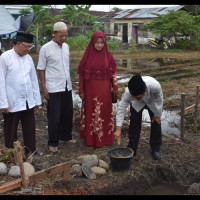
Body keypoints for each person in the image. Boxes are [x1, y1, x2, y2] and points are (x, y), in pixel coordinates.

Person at [0, 32, 41, 155]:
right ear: (18, 43)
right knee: (10, 130)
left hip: (28, 100)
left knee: (29, 129)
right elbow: (1, 81)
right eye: (26, 46)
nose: (28, 49)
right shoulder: (5, 57)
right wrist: (3, 103)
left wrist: (36, 101)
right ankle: (11, 154)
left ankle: (30, 152)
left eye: (30, 47)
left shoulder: (28, 58)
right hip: (12, 100)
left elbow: (33, 80)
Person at [37, 22, 76, 153]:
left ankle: (66, 136)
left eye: (66, 35)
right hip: (53, 87)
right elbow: (41, 69)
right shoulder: (45, 48)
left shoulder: (66, 47)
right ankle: (53, 142)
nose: (64, 38)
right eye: (61, 36)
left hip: (66, 86)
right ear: (54, 34)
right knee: (54, 116)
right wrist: (44, 87)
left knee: (67, 113)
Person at [77, 31, 118, 147]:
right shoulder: (87, 56)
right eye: (97, 43)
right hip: (90, 91)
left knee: (104, 112)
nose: (99, 45)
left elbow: (113, 71)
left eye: (101, 43)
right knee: (92, 112)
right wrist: (81, 90)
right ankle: (91, 140)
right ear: (92, 42)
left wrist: (115, 86)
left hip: (104, 90)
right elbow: (81, 75)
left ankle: (105, 139)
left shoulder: (108, 55)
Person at [114, 75, 163, 160]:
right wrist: (118, 128)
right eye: (133, 97)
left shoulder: (155, 86)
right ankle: (132, 148)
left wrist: (157, 115)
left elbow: (159, 100)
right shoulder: (128, 92)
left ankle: (155, 149)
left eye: (137, 97)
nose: (135, 98)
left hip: (152, 102)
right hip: (137, 105)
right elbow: (121, 108)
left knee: (156, 122)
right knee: (134, 123)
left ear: (145, 90)